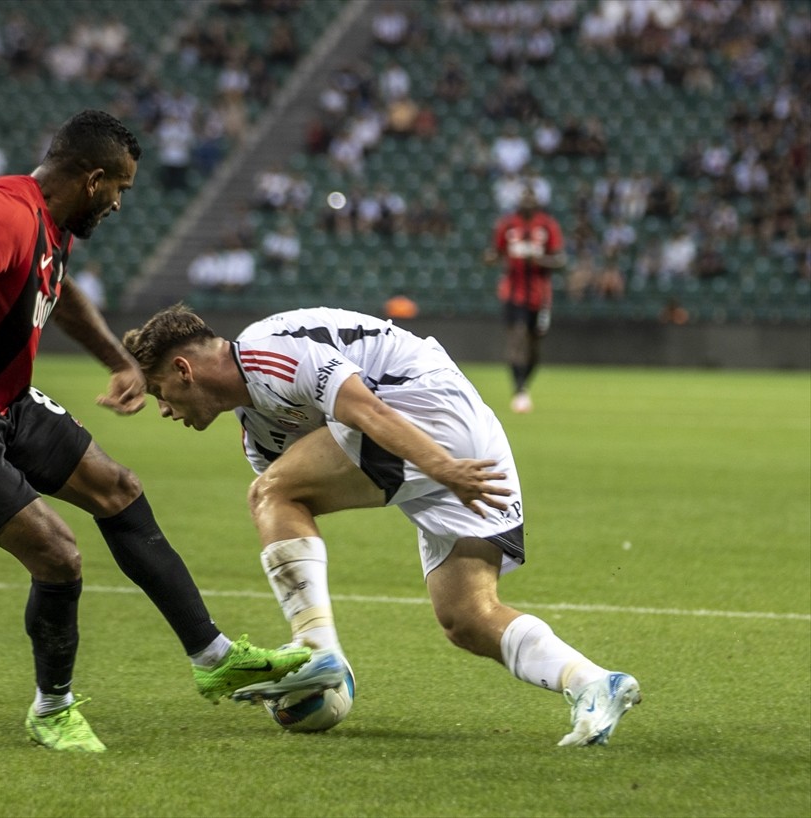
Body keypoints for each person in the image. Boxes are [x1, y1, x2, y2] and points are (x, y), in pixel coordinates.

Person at [0, 110, 317, 754]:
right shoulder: (7, 211)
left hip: (3, 402)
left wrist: (118, 360)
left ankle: (213, 657)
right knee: (58, 555)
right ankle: (53, 708)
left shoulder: (51, 225)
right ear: (93, 178)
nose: (120, 204)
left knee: (119, 490)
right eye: (121, 190)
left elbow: (60, 290)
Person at [122, 304, 642, 747]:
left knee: (271, 491)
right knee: (467, 617)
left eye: (158, 390)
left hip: (428, 413)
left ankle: (316, 651)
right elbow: (300, 509)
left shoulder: (268, 351)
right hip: (463, 444)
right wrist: (447, 469)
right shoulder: (258, 434)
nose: (163, 408)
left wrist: (444, 467)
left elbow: (366, 411)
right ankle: (594, 683)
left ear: (184, 370)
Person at [483, 185, 565, 413]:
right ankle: (519, 390)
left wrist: (538, 261)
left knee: (534, 346)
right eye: (523, 198)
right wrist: (490, 257)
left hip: (540, 296)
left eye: (531, 198)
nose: (526, 202)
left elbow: (560, 260)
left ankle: (523, 385)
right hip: (513, 292)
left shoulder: (548, 225)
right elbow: (494, 253)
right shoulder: (507, 224)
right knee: (516, 338)